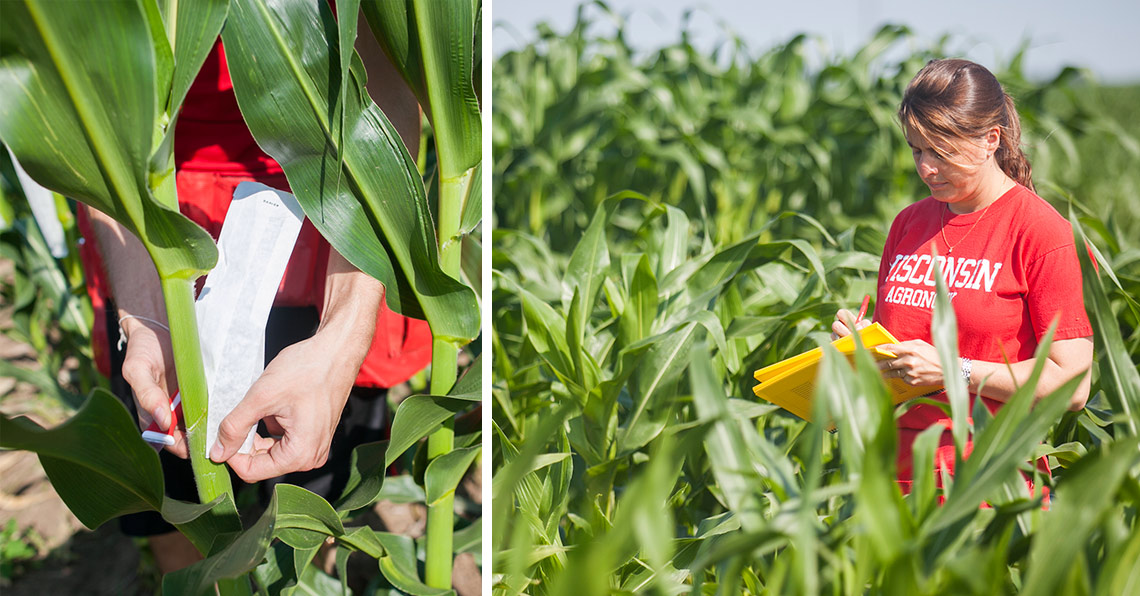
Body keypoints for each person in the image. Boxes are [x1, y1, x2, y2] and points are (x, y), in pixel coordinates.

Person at [75, 28, 432, 572]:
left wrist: (340, 341)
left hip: (341, 219)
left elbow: (385, 85)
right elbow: (79, 104)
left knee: (317, 494)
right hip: (149, 219)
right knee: (174, 502)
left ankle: (307, 580)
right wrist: (145, 313)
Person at [831, 58, 1093, 494]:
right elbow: (903, 351)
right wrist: (861, 345)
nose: (926, 169)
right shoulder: (907, 225)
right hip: (894, 485)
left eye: (942, 152)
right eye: (917, 150)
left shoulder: (1044, 234)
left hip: (991, 489)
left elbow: (1073, 386)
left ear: (991, 139)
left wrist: (955, 370)